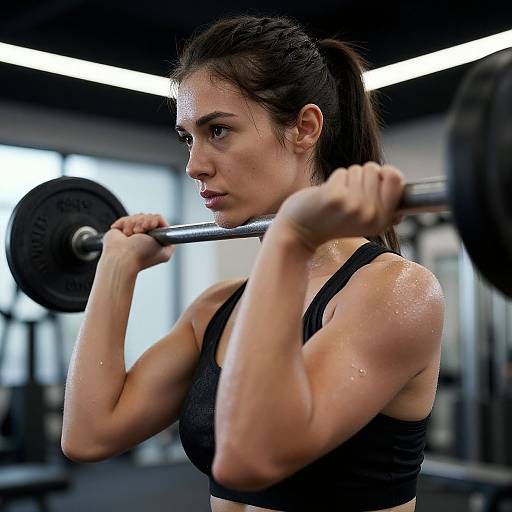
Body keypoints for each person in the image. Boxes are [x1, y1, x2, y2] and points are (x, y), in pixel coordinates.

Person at [61, 14, 445, 512]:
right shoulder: (216, 309)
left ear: (305, 127)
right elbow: (89, 435)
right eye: (187, 137)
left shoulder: (395, 293)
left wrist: (290, 239)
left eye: (217, 130)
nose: (194, 164)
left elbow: (252, 458)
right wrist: (115, 271)